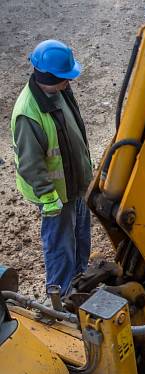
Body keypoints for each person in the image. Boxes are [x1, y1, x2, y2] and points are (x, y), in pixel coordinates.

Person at [10, 40, 92, 296]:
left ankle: (80, 283)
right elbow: (30, 163)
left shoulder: (59, 91)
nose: (69, 82)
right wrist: (48, 197)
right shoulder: (28, 113)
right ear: (49, 76)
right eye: (64, 78)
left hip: (75, 185)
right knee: (60, 247)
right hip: (55, 197)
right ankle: (61, 297)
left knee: (81, 238)